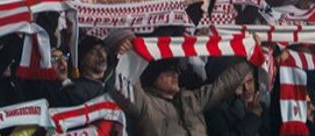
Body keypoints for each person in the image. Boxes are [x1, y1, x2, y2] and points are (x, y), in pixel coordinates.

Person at [109, 56, 254, 136]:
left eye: (177, 71)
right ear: (153, 78)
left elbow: (221, 87)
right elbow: (124, 86)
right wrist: (121, 56)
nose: (175, 74)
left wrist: (249, 61)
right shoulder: (146, 104)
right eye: (168, 72)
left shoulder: (190, 99)